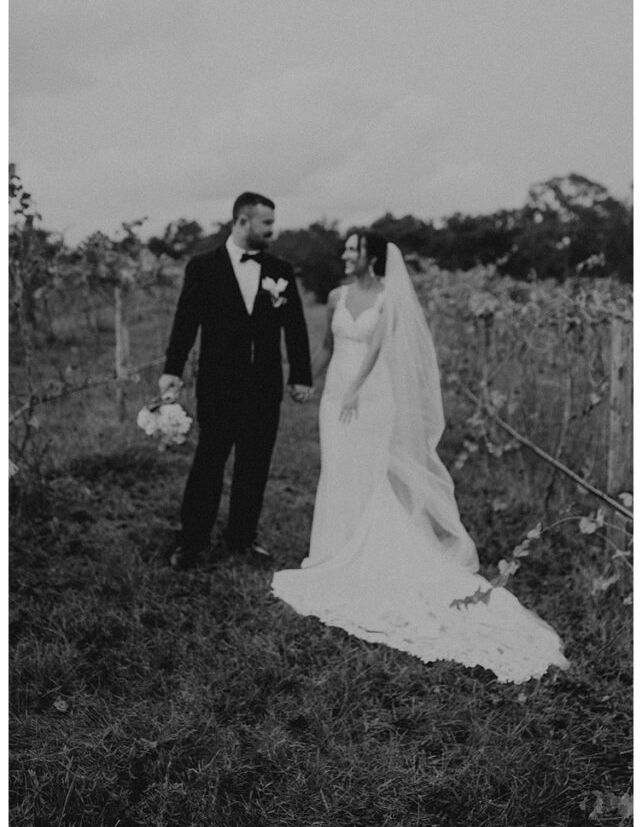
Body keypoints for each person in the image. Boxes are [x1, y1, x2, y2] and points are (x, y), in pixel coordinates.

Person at [272, 230, 569, 683]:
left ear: (369, 255)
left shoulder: (389, 298)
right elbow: (329, 349)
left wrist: (355, 390)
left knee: (370, 472)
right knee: (337, 468)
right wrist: (305, 381)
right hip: (335, 395)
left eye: (352, 249)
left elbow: (375, 351)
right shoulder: (336, 295)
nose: (344, 255)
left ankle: (368, 548)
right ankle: (334, 546)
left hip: (369, 396)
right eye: (345, 249)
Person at [160, 192, 313, 569]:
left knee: (254, 464)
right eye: (266, 224)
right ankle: (193, 541)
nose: (272, 231)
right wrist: (172, 370)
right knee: (208, 462)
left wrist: (301, 374)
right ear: (242, 222)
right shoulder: (203, 267)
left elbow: (295, 327)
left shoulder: (280, 270)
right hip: (218, 384)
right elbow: (186, 322)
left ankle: (242, 538)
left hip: (264, 385)